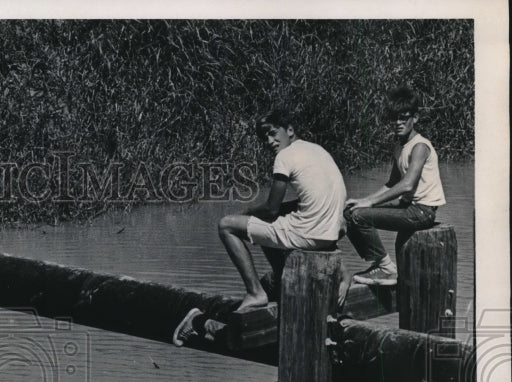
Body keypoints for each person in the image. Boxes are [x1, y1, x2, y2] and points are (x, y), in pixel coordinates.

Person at [174, 109, 347, 346]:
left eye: (273, 134)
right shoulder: (317, 150)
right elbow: (313, 200)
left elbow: (271, 209)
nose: (269, 142)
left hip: (308, 235)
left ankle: (256, 292)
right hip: (329, 234)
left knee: (226, 225)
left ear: (289, 130)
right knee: (274, 220)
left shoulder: (285, 157)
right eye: (264, 138)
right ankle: (280, 279)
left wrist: (245, 213)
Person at [344, 86, 446, 286]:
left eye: (404, 118)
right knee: (350, 212)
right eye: (394, 118)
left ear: (415, 118)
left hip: (422, 212)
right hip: (408, 207)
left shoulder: (420, 146)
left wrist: (370, 203)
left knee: (358, 216)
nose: (398, 123)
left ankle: (386, 268)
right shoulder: (400, 146)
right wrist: (364, 201)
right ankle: (382, 265)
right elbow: (392, 183)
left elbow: (407, 184)